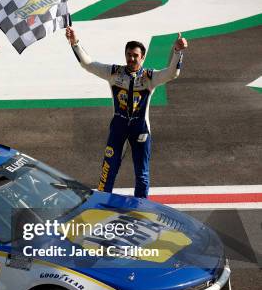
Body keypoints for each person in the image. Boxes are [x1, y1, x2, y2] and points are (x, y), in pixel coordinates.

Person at [65, 26, 188, 198]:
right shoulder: (114, 73)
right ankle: (101, 207)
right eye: (129, 55)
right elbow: (88, 64)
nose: (131, 59)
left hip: (141, 130)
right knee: (107, 172)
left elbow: (172, 74)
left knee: (142, 175)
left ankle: (141, 210)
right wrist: (75, 42)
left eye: (135, 55)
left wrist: (177, 52)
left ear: (143, 57)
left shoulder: (149, 77)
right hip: (118, 128)